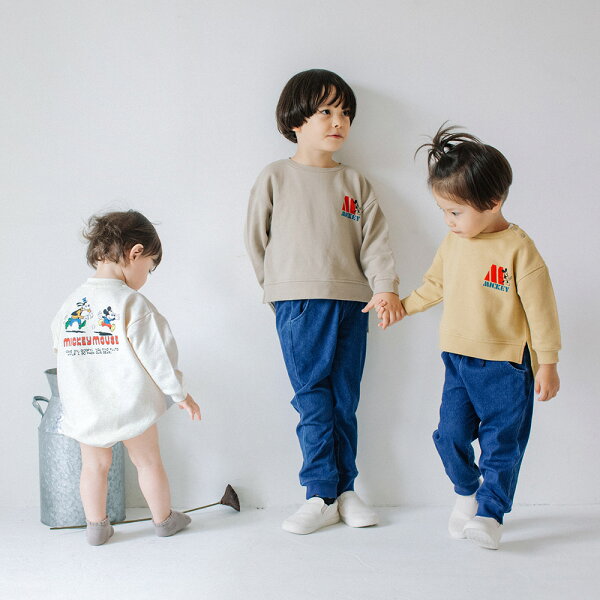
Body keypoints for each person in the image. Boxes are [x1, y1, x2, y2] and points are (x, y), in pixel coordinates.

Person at [383, 125, 561, 549]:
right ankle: (468, 491)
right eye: (443, 211)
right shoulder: (454, 242)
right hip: (458, 360)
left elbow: (542, 312)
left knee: (502, 445)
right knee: (449, 435)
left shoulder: (519, 249)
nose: (449, 221)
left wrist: (548, 363)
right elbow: (435, 284)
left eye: (456, 212)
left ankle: (490, 514)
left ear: (493, 202)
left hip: (507, 366)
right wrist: (403, 306)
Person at [245, 69, 404, 534]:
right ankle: (319, 492)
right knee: (313, 401)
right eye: (326, 111)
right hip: (298, 304)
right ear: (296, 120)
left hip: (353, 303)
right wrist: (278, 292)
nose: (338, 121)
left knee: (344, 400)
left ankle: (345, 490)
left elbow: (375, 243)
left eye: (345, 113)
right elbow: (256, 241)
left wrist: (385, 286)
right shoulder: (276, 177)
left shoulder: (355, 183)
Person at [51, 210, 201, 545]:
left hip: (86, 406)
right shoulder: (132, 303)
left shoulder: (69, 305)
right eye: (149, 266)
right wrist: (180, 394)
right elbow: (158, 357)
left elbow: (60, 351)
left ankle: (96, 527)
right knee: (147, 462)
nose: (147, 275)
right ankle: (164, 520)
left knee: (94, 467)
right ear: (135, 253)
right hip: (130, 403)